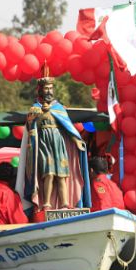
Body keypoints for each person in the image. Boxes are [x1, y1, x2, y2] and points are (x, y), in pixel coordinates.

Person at [16, 73, 90, 212]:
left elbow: (68, 127)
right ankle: (46, 203)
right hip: (44, 143)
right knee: (48, 174)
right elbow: (31, 128)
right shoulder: (35, 108)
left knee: (62, 175)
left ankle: (65, 203)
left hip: (58, 142)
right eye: (46, 88)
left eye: (51, 88)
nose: (49, 91)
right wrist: (38, 116)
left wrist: (77, 141)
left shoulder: (59, 108)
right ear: (40, 90)